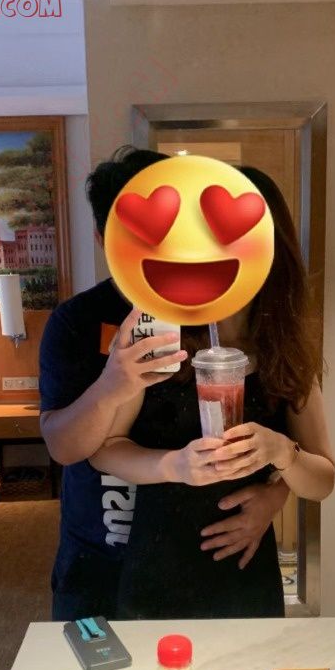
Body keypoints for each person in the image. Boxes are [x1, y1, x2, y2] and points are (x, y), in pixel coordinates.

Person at [40, 148, 293, 621]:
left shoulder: (212, 312)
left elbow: (274, 424)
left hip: (197, 551)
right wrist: (111, 386)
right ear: (104, 238)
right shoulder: (77, 321)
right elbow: (63, 446)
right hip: (102, 550)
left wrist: (277, 492)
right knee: (94, 668)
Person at [89, 165, 335, 620]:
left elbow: (323, 480)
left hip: (245, 569)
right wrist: (173, 465)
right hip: (158, 562)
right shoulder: (157, 334)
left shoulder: (283, 349)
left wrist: (282, 457)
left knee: (251, 666)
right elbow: (104, 451)